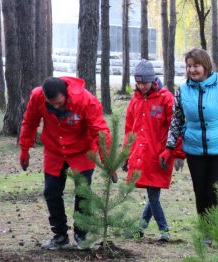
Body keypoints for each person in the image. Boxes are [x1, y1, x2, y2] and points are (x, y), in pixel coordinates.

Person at [19, 76, 111, 250]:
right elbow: (30, 122)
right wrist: (25, 149)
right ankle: (60, 235)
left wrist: (107, 160)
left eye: (59, 103)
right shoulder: (37, 96)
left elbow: (100, 129)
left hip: (82, 151)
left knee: (83, 193)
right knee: (51, 192)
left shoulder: (86, 100)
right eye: (51, 103)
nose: (56, 107)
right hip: (54, 151)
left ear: (66, 94)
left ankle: (81, 235)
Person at [165, 48, 218, 242]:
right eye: (189, 66)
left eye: (196, 66)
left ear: (206, 66)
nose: (192, 70)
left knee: (215, 191)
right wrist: (169, 147)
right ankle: (206, 233)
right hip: (194, 149)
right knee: (200, 192)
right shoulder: (182, 90)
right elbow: (176, 120)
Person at [123, 60, 184, 242]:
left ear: (153, 80)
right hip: (140, 155)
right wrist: (127, 154)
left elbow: (177, 126)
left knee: (153, 194)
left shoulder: (166, 99)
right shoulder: (135, 100)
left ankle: (164, 231)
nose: (141, 87)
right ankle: (141, 228)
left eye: (145, 83)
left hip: (160, 155)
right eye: (138, 83)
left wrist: (178, 153)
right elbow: (129, 130)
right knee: (153, 194)